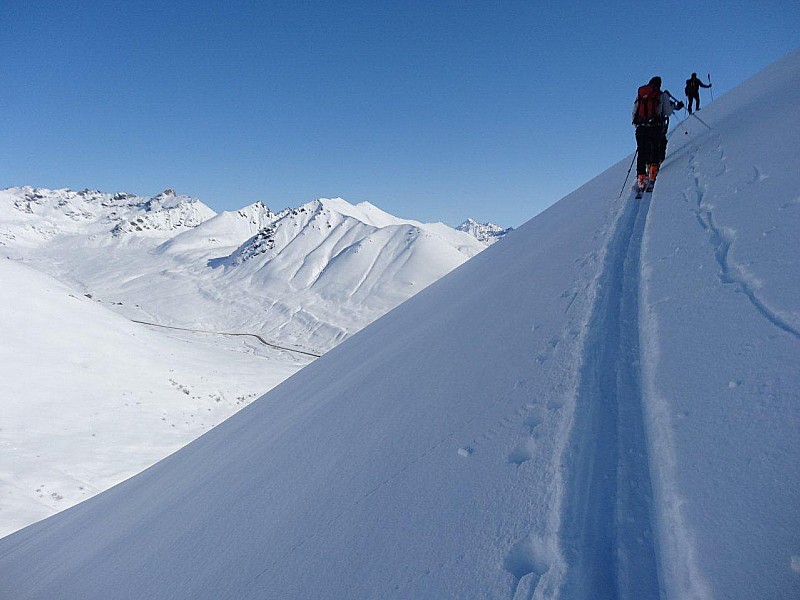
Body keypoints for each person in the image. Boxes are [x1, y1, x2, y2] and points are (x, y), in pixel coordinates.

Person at [632, 76, 673, 191]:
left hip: (641, 127)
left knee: (642, 150)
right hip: (655, 127)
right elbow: (668, 112)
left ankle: (641, 177)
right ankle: (653, 172)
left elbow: (634, 111)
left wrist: (638, 124)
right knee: (655, 147)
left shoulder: (641, 94)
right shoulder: (661, 94)